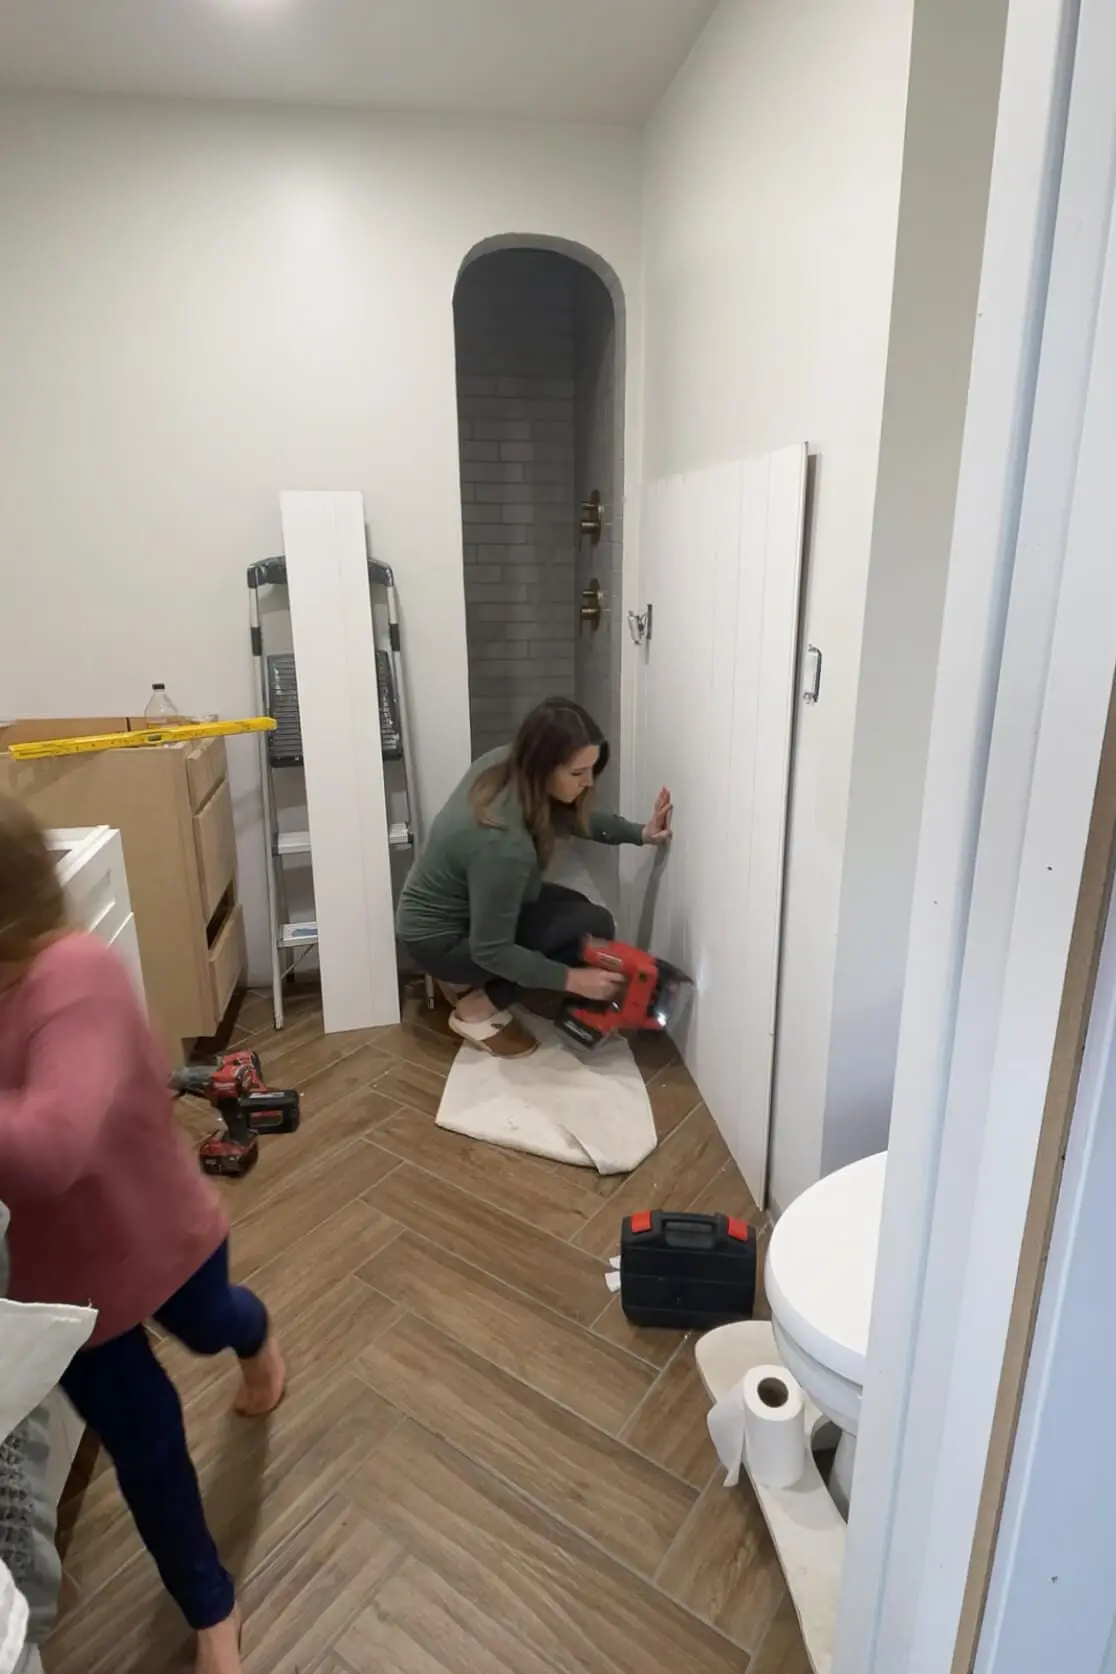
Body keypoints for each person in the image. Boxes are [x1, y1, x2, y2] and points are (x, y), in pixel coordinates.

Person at [0, 794, 285, 1674]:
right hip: (66, 1288)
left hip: (163, 1230)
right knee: (149, 1444)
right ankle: (210, 1606)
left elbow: (47, 1151)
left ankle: (258, 1339)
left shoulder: (73, 972)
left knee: (213, 1323)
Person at [397, 697, 672, 1057]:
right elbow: (491, 950)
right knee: (586, 928)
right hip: (440, 941)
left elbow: (568, 812)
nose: (588, 783)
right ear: (543, 767)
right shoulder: (503, 844)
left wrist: (640, 833)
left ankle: (468, 981)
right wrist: (575, 980)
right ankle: (475, 1009)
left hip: (449, 913)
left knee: (581, 913)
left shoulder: (504, 764)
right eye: (577, 773)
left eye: (591, 769)